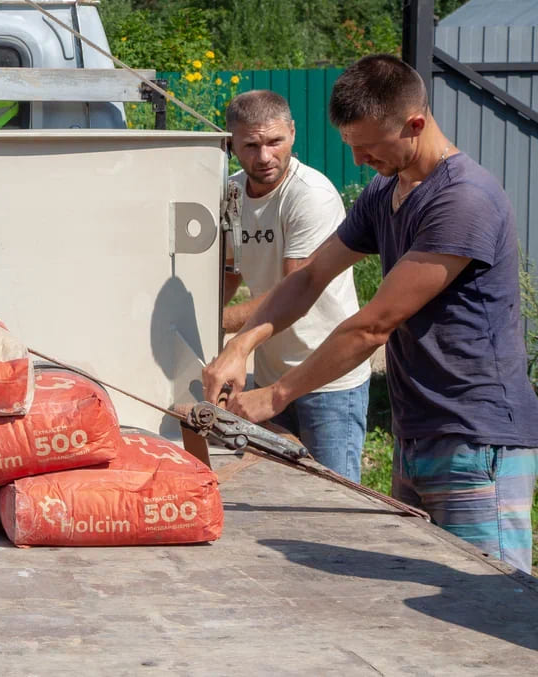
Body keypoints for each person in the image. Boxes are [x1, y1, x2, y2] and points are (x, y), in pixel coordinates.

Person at [203, 54, 538, 574]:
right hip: (418, 428)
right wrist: (241, 346)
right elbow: (309, 277)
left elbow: (373, 326)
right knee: (410, 588)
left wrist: (275, 395)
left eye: (368, 146)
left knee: (486, 596)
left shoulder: (463, 200)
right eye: (351, 145)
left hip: (475, 437)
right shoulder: (386, 191)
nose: (359, 160)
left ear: (414, 125)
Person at [222, 90, 370, 482]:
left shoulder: (310, 195)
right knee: (279, 489)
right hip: (270, 375)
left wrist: (222, 326)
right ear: (231, 142)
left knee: (335, 495)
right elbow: (230, 271)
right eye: (250, 145)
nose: (264, 156)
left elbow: (296, 289)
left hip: (327, 379)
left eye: (275, 141)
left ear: (293, 132)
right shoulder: (232, 192)